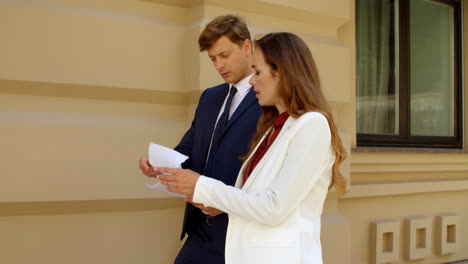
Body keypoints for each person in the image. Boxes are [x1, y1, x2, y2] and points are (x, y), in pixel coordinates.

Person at [156, 32, 347, 264]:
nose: (252, 81)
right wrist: (214, 204)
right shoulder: (273, 127)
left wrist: (202, 185)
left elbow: (274, 207)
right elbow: (251, 198)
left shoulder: (312, 124)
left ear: (283, 72)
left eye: (257, 72)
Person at [138, 15, 261, 264]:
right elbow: (189, 149)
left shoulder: (268, 99)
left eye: (224, 55)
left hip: (240, 231)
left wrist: (226, 204)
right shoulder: (209, 98)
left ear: (246, 47)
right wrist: (158, 166)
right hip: (199, 230)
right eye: (213, 59)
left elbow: (267, 168)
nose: (219, 65)